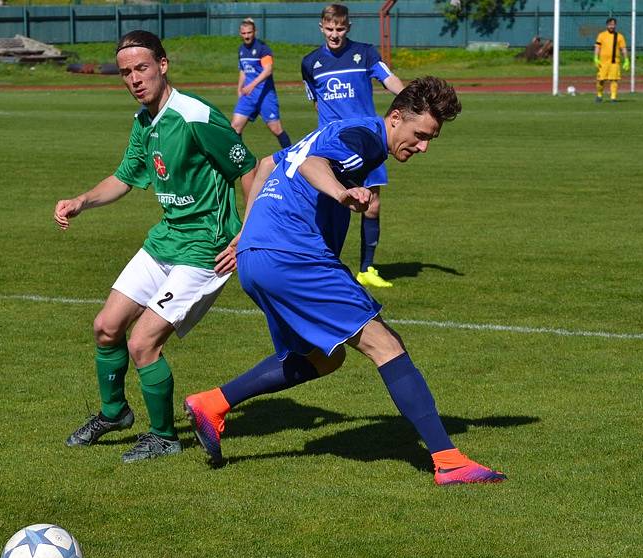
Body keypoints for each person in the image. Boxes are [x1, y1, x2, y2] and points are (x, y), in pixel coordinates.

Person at [184, 77, 506, 486]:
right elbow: (312, 165)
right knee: (385, 344)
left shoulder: (336, 131)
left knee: (323, 356)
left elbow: (268, 165)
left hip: (258, 259)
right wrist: (341, 193)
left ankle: (211, 403)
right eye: (421, 135)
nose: (423, 146)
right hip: (294, 256)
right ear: (395, 118)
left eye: (431, 140)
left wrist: (247, 236)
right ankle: (448, 460)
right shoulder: (365, 137)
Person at [54, 30, 257, 463]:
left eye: (141, 68)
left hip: (207, 248)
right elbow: (125, 177)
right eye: (126, 72)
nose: (134, 79)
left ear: (162, 65)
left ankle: (164, 437)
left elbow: (250, 170)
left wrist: (249, 234)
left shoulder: (196, 116)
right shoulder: (143, 122)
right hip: (166, 239)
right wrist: (82, 201)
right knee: (106, 327)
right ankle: (114, 413)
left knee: (142, 342)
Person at [301, 4, 404, 289]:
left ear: (349, 27)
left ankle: (366, 269)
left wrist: (414, 97)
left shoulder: (366, 53)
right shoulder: (310, 63)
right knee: (329, 204)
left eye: (340, 29)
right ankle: (322, 264)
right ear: (321, 27)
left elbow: (389, 80)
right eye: (330, 29)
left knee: (371, 206)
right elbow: (316, 101)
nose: (335, 35)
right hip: (333, 147)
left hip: (368, 142)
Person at [231, 18, 292, 150]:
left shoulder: (263, 49)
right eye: (244, 33)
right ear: (240, 33)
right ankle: (240, 161)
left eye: (249, 32)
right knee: (235, 127)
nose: (246, 36)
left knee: (276, 128)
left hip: (265, 95)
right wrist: (239, 89)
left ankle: (292, 156)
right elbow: (243, 71)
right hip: (248, 95)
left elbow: (268, 70)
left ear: (255, 32)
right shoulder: (241, 50)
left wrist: (251, 85)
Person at [594, 17, 629, 103]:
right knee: (601, 80)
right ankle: (599, 95)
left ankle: (613, 98)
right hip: (603, 62)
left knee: (614, 80)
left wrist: (626, 60)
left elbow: (623, 49)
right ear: (607, 25)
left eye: (613, 25)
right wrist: (595, 58)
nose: (611, 26)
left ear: (615, 25)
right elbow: (597, 47)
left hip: (614, 62)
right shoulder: (601, 35)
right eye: (610, 25)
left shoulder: (620, 36)